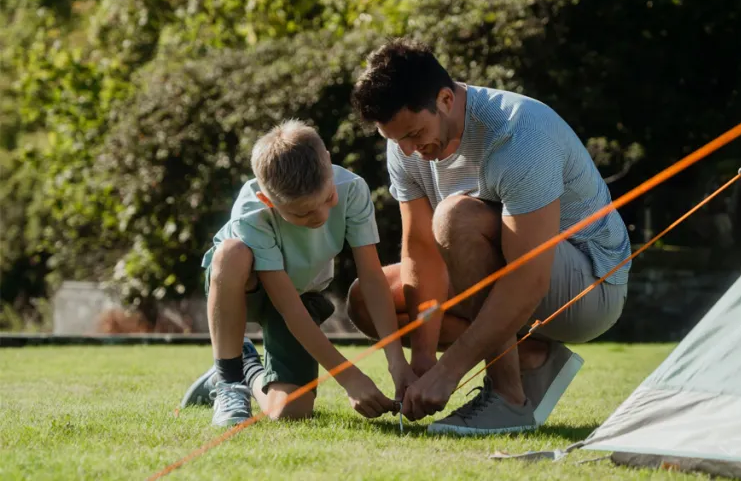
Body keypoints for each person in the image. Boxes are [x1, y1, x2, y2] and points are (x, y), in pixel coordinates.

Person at [346, 38, 631, 435]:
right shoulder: (407, 146)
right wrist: (424, 358)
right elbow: (420, 253)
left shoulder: (519, 134)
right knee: (369, 300)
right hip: (519, 277)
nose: (409, 150)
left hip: (590, 286)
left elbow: (528, 276)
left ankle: (508, 399)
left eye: (415, 133)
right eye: (397, 141)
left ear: (446, 99)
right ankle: (531, 356)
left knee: (455, 217)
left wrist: (449, 371)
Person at [178, 119, 417, 427]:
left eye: (327, 199)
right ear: (268, 201)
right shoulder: (252, 212)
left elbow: (372, 278)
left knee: (291, 411)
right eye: (301, 213)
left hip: (301, 294)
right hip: (250, 289)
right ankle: (228, 381)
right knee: (231, 253)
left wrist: (396, 361)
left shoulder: (353, 189)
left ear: (328, 163)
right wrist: (349, 377)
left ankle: (248, 365)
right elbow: (288, 307)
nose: (320, 216)